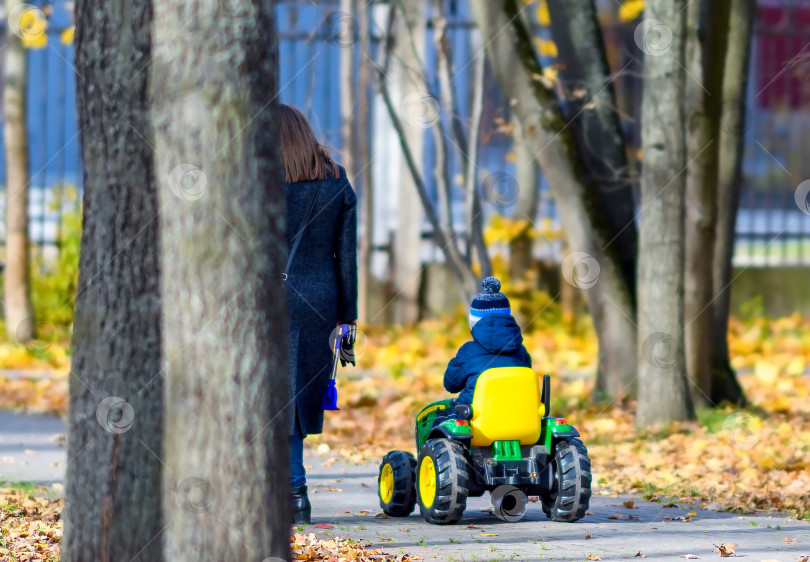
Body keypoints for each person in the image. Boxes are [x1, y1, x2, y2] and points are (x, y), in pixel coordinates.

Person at [281, 104, 357, 525]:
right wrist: (349, 320)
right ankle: (296, 495)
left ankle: (279, 489)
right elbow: (347, 257)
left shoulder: (254, 183)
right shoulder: (336, 181)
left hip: (263, 302)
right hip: (320, 305)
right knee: (296, 400)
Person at [443, 277, 532, 408]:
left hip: (477, 421)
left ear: (474, 323)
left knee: (440, 418)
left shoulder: (467, 352)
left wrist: (456, 362)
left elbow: (451, 384)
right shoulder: (521, 351)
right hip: (518, 416)